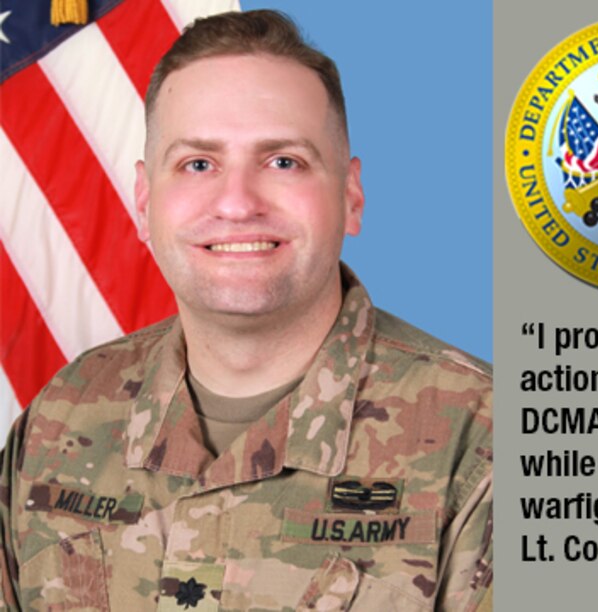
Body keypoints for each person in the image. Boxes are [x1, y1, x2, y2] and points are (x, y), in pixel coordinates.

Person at [0, 10, 492, 611]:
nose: (236, 204)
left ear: (350, 196)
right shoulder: (61, 419)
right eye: (198, 164)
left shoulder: (482, 441)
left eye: (283, 161)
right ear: (143, 202)